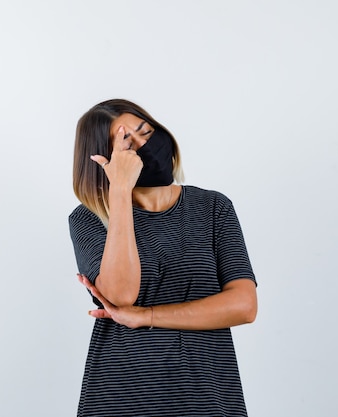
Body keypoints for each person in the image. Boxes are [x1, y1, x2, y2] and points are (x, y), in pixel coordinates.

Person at [68, 99, 258, 417]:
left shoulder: (212, 208)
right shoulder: (89, 219)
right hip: (122, 396)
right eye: (127, 142)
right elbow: (119, 294)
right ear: (104, 159)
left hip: (208, 397)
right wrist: (118, 192)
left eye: (146, 131)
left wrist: (146, 316)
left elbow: (244, 306)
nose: (144, 143)